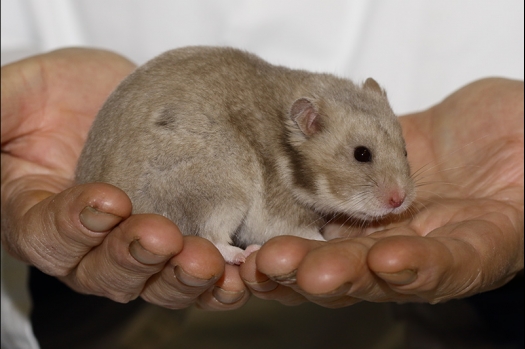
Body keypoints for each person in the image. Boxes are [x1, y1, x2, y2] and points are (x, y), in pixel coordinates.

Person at [2, 46, 523, 348]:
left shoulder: (321, 113)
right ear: (306, 122)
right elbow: (281, 213)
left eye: (401, 158)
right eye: (362, 156)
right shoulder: (283, 135)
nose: (398, 191)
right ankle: (210, 234)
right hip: (114, 266)